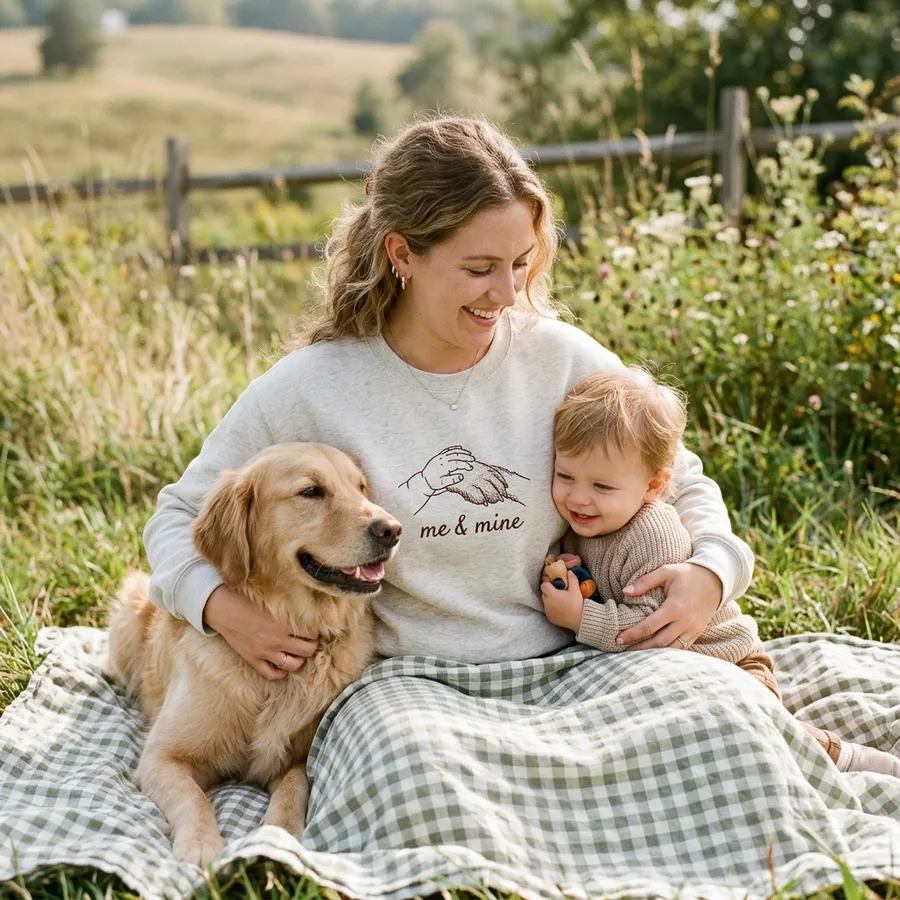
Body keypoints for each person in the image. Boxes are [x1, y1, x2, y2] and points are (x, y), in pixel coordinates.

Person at [144, 116, 750, 681]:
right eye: (480, 268)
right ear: (403, 253)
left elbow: (679, 479)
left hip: (576, 662)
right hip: (408, 683)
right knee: (424, 792)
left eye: (520, 263)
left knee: (721, 733)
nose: (509, 293)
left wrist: (711, 574)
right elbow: (176, 519)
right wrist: (221, 609)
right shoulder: (310, 387)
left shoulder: (562, 359)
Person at [540, 367, 900, 777]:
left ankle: (850, 759)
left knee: (754, 733)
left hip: (729, 662)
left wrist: (581, 616)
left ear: (654, 486)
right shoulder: (587, 523)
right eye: (565, 476)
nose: (578, 497)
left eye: (602, 487)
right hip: (678, 669)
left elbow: (652, 628)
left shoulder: (652, 534)